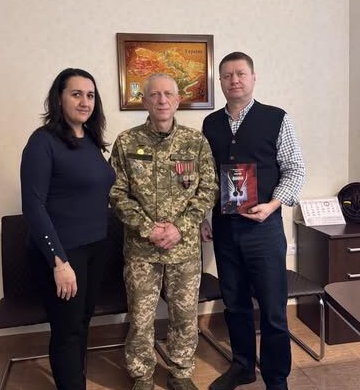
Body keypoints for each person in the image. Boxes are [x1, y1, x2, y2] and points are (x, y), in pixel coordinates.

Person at [201, 52, 305, 390]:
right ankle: (243, 366)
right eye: (227, 75)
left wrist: (273, 205)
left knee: (273, 308)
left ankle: (276, 378)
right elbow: (206, 177)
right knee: (235, 303)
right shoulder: (210, 124)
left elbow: (295, 170)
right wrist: (204, 217)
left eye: (241, 73)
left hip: (264, 228)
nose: (234, 80)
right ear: (220, 81)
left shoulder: (277, 118)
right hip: (225, 229)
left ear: (253, 77)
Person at [110, 73, 218, 390]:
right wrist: (148, 229)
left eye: (168, 94)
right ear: (144, 101)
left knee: (184, 317)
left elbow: (208, 190)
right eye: (154, 95)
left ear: (177, 100)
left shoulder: (195, 142)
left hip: (183, 250)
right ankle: (142, 375)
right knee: (141, 318)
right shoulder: (126, 142)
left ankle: (180, 372)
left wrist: (180, 228)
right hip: (141, 251)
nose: (162, 100)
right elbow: (116, 194)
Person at [20, 68, 116, 390]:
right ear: (59, 99)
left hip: (95, 248)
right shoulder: (42, 142)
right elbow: (33, 207)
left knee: (82, 323)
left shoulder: (90, 140)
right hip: (64, 253)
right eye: (76, 94)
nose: (84, 102)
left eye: (90, 95)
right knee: (67, 331)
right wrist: (58, 262)